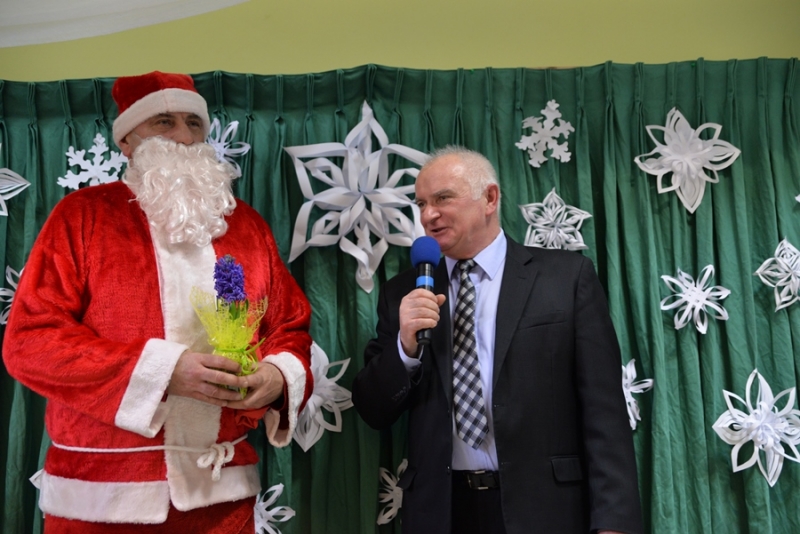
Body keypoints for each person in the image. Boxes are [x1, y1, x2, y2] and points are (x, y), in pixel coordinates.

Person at [2, 71, 313, 533]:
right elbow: (31, 341)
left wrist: (277, 377)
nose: (184, 137)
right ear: (126, 140)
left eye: (194, 123)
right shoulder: (82, 217)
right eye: (164, 122)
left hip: (222, 497)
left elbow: (289, 328)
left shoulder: (247, 226)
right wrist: (164, 372)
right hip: (100, 500)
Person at [352, 146, 643, 534]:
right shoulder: (403, 294)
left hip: (546, 510)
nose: (428, 215)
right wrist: (405, 349)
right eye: (421, 203)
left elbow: (604, 412)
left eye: (443, 199)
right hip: (442, 512)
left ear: (489, 198)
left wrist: (614, 523)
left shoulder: (565, 279)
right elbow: (372, 410)